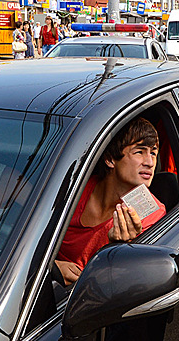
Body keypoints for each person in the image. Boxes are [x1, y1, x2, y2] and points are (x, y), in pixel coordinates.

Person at [55, 117, 166, 286]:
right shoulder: (76, 189)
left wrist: (118, 249)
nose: (150, 162)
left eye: (153, 153)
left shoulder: (151, 214)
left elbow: (126, 282)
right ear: (110, 159)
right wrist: (52, 267)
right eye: (139, 152)